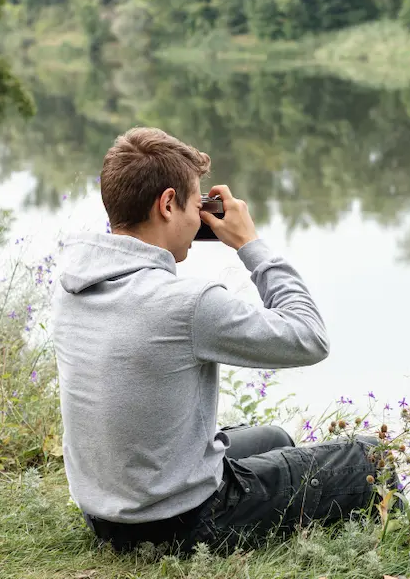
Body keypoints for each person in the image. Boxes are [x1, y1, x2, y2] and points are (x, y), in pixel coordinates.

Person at [51, 127, 385, 555]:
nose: (200, 220)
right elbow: (309, 336)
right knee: (372, 459)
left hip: (104, 515)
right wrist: (250, 244)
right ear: (167, 204)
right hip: (180, 523)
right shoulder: (187, 303)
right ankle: (391, 548)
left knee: (274, 439)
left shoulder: (72, 284)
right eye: (197, 206)